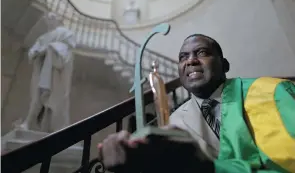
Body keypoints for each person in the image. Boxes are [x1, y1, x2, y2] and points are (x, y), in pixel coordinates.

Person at [97, 34, 295, 173]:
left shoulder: (270, 92)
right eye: (183, 57)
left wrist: (209, 168)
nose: (190, 61)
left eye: (201, 53)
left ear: (224, 65)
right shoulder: (173, 122)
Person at [19, 12, 76, 133]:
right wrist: (38, 51)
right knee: (37, 98)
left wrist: (50, 47)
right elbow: (32, 52)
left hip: (56, 74)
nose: (50, 20)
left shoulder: (65, 33)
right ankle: (29, 123)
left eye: (53, 17)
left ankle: (55, 129)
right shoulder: (42, 38)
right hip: (43, 72)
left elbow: (67, 50)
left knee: (56, 103)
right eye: (48, 18)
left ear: (58, 19)